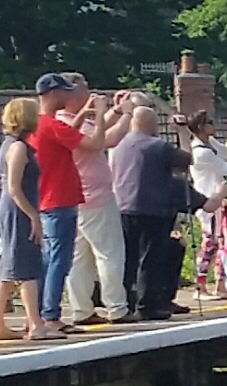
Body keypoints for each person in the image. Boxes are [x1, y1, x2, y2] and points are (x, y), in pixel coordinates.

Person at [30, 72, 106, 334]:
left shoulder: (39, 125)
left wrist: (83, 114)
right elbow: (95, 143)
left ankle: (40, 313)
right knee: (59, 261)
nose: (69, 96)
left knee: (49, 259)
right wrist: (101, 114)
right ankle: (51, 315)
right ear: (53, 94)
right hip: (59, 200)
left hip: (45, 201)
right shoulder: (52, 125)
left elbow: (66, 136)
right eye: (64, 91)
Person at [58, 74, 133, 326]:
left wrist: (114, 111)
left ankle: (81, 309)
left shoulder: (68, 121)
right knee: (109, 253)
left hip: (78, 199)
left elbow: (97, 129)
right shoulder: (69, 122)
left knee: (80, 258)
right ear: (73, 93)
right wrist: (128, 114)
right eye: (85, 89)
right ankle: (117, 307)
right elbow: (106, 140)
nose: (91, 93)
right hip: (95, 197)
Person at [113, 105, 201, 320]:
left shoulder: (119, 145)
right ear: (152, 124)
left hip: (123, 207)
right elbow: (187, 161)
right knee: (151, 258)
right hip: (153, 209)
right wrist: (182, 133)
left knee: (129, 258)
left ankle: (127, 302)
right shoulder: (159, 146)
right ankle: (148, 305)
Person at [0, 97, 57, 342]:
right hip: (19, 210)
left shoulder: (9, 144)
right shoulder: (19, 148)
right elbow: (14, 187)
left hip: (13, 209)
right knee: (27, 265)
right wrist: (33, 216)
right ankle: (36, 325)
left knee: (9, 267)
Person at [184, 111, 227, 301]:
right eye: (209, 122)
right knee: (209, 243)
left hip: (219, 199)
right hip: (207, 201)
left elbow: (226, 152)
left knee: (221, 242)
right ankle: (200, 286)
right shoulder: (201, 152)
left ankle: (220, 284)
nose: (213, 125)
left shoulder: (210, 143)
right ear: (201, 127)